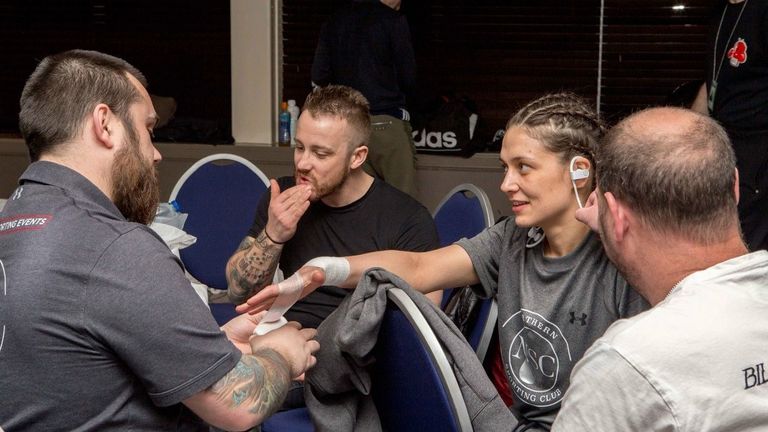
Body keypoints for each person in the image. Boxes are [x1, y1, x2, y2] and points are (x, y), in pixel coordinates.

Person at [238, 92, 650, 430]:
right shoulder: (510, 239)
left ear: (580, 172)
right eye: (505, 167)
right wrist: (325, 269)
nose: (507, 184)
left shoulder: (623, 257)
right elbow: (418, 269)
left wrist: (620, 242)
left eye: (524, 168)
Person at [0, 50, 319, 431]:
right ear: (105, 124)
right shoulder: (117, 246)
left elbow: (78, 361)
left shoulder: (14, 222)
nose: (156, 153)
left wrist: (207, 345)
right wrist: (280, 353)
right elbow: (240, 404)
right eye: (149, 129)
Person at [551, 107, 768, 431]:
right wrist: (616, 222)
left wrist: (618, 227)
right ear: (734, 187)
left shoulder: (625, 364)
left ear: (617, 216)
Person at [226, 84, 440, 329]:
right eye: (300, 147)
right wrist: (273, 235)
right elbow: (237, 293)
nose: (303, 163)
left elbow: (423, 329)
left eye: (321, 154)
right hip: (279, 329)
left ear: (357, 157)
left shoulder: (407, 219)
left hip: (353, 348)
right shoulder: (283, 197)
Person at [311, 0, 419, 197]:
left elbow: (319, 76)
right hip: (386, 122)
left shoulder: (334, 21)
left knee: (356, 203)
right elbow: (409, 78)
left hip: (348, 126)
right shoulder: (393, 21)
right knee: (404, 205)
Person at [691, 0, 768, 251]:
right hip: (725, 149)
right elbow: (713, 81)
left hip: (758, 157)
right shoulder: (721, 10)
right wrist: (687, 137)